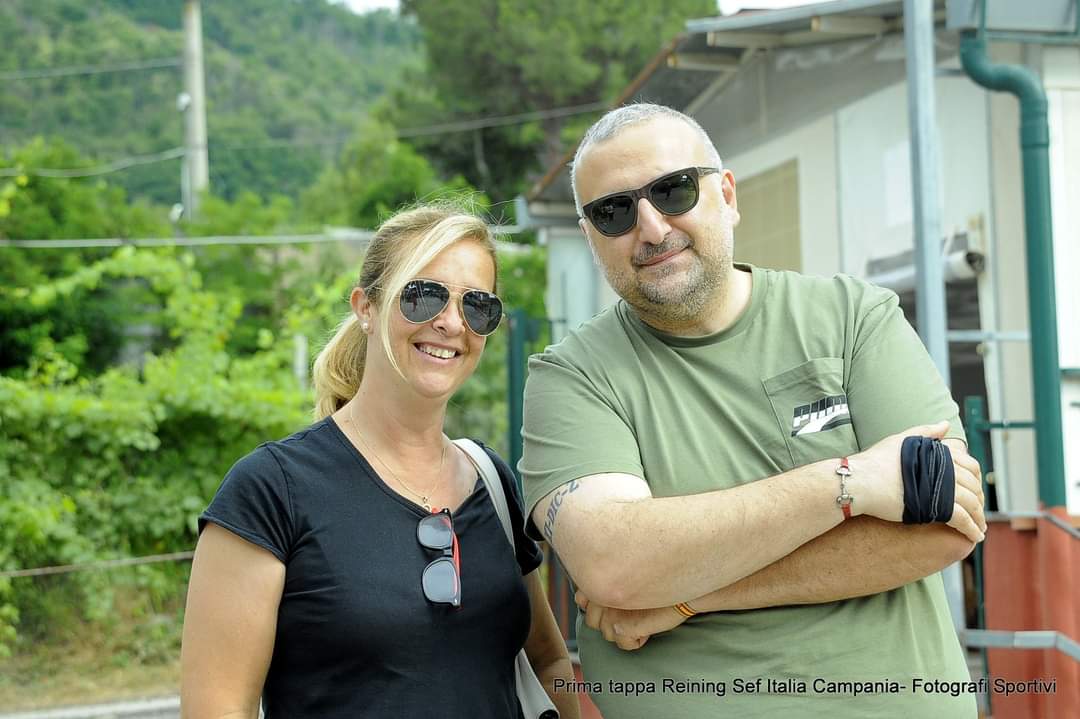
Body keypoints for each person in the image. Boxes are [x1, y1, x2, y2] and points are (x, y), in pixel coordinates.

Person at [519, 104, 986, 718]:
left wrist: (687, 597)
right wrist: (849, 482)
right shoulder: (572, 376)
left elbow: (945, 523)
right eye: (614, 212)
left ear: (728, 195)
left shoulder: (852, 318)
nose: (652, 228)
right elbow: (616, 565)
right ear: (590, 237)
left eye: (674, 190)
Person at [181, 202, 580, 719]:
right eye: (423, 295)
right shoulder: (271, 490)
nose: (451, 322)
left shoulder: (491, 478)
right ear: (365, 307)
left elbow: (549, 661)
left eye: (477, 305)